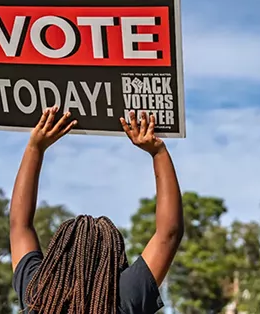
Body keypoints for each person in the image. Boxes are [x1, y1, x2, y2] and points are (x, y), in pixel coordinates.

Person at [9, 106, 184, 314]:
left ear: (58, 253)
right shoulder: (122, 297)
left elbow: (19, 226)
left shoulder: (37, 294)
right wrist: (158, 152)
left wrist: (34, 148)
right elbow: (169, 233)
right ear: (113, 257)